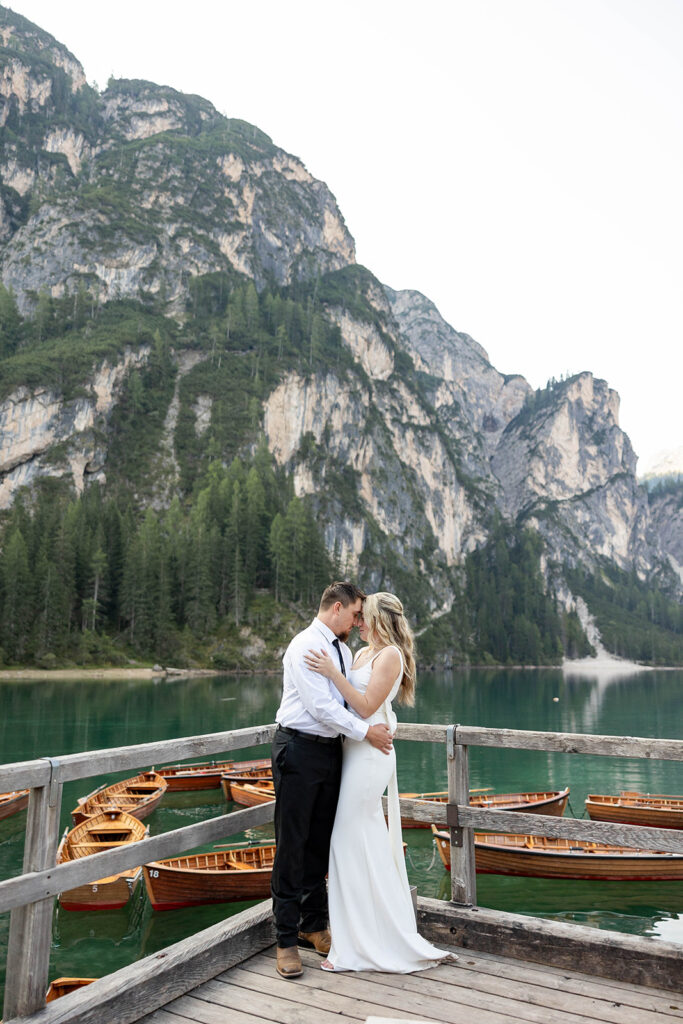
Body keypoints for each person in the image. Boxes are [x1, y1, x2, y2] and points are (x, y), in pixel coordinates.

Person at [304, 591, 455, 973]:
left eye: (363, 616)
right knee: (362, 839)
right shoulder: (361, 653)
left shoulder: (391, 655)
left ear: (377, 618)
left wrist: (332, 674)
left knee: (344, 838)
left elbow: (368, 706)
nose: (358, 622)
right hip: (352, 750)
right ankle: (363, 933)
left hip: (371, 756)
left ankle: (361, 942)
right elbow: (346, 704)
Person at [271, 581, 394, 980]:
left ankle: (313, 925)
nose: (359, 620)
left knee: (319, 843)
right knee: (292, 844)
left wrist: (364, 728)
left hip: (330, 752)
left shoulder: (342, 650)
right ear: (337, 608)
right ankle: (285, 940)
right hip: (299, 749)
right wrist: (366, 732)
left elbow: (348, 700)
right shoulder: (305, 646)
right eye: (357, 613)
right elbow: (322, 707)